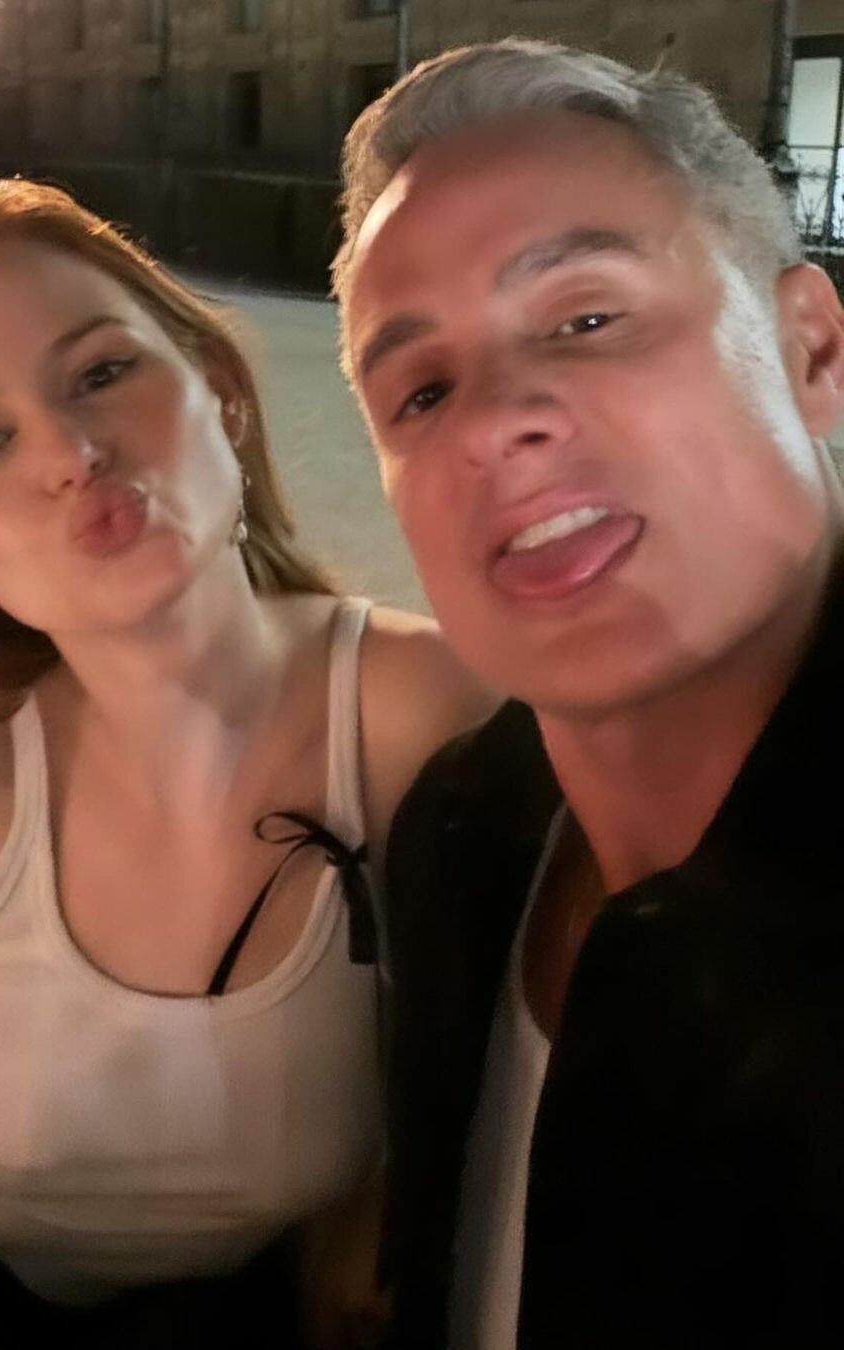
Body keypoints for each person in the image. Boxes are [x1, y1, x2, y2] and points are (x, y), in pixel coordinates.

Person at [0, 177, 487, 1349]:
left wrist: (373, 1216)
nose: (70, 452)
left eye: (102, 372)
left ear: (220, 392)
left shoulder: (430, 715)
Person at [333, 38, 844, 1350]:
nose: (490, 420)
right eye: (420, 390)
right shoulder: (460, 828)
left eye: (585, 319)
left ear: (811, 348)